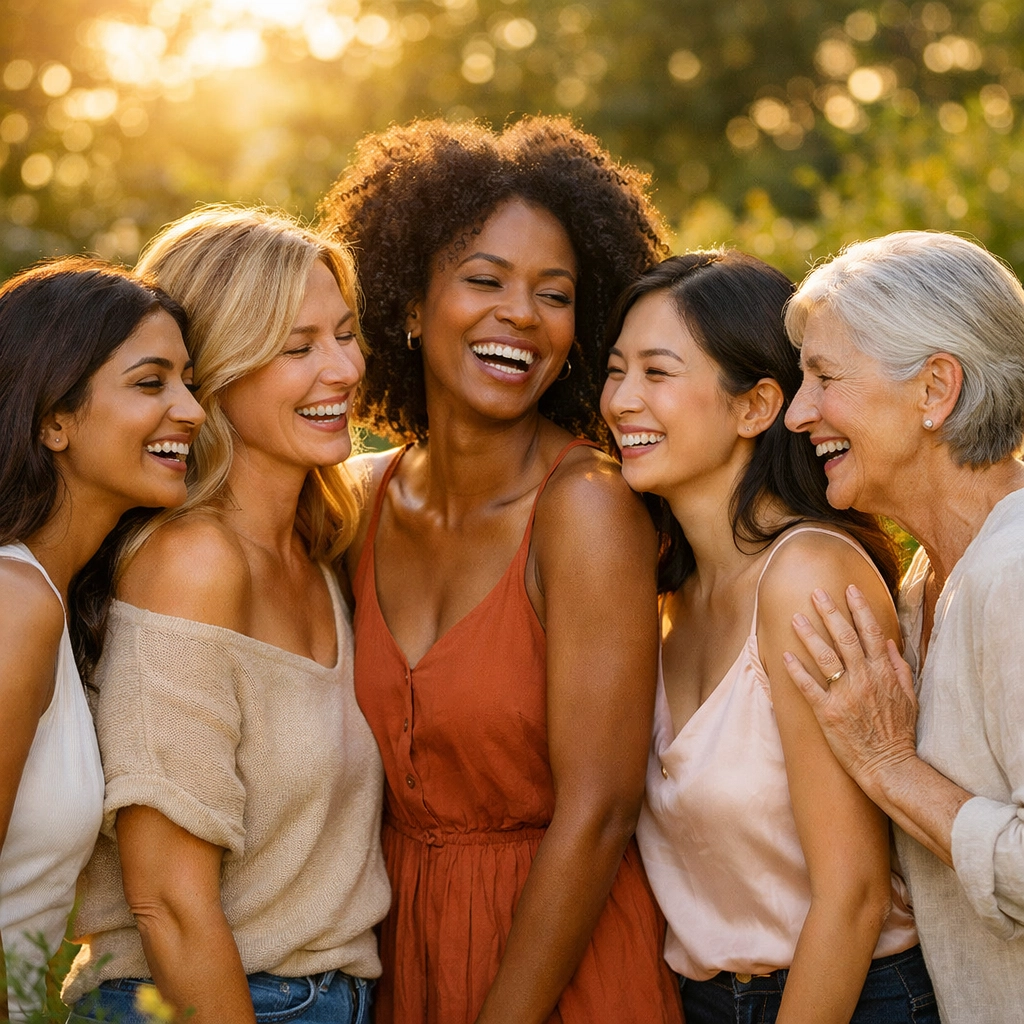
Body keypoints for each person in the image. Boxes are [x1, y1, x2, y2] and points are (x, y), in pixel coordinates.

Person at [320, 117, 683, 1024]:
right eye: (483, 280)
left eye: (554, 295)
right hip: (397, 957)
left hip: (558, 967)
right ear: (406, 302)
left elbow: (600, 814)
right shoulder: (356, 502)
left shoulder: (587, 510)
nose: (520, 314)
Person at [62, 207, 391, 1024]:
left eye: (345, 334)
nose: (342, 368)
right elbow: (169, 903)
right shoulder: (191, 562)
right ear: (217, 372)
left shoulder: (318, 543)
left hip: (322, 1000)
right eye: (296, 347)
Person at [602, 250, 938, 1024]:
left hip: (850, 997)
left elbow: (852, 897)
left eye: (657, 373)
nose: (621, 400)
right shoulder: (664, 596)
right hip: (711, 1000)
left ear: (756, 407)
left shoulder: (807, 576)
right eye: (616, 371)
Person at [780, 230, 1024, 1024]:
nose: (796, 412)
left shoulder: (1016, 571)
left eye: (824, 377)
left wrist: (890, 766)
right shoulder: (928, 579)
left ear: (935, 389)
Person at [0, 258, 202, 1021]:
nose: (191, 411)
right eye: (151, 384)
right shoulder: (14, 601)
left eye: (189, 383)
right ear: (53, 419)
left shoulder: (55, 600)